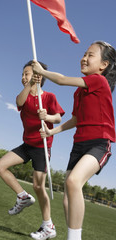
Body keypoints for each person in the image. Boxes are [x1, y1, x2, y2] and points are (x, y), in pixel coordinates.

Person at [32, 41, 116, 240]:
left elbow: (60, 80)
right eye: (84, 54)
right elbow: (76, 120)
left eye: (90, 55)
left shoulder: (99, 81)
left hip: (99, 142)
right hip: (79, 145)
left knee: (73, 181)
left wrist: (41, 72)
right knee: (68, 196)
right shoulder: (79, 92)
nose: (84, 58)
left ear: (103, 65)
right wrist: (53, 132)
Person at [0, 60, 65, 240]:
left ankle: (48, 226)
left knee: (38, 186)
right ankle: (22, 197)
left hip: (42, 146)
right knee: (0, 166)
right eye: (23, 74)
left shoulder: (49, 97)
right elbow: (19, 101)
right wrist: (30, 84)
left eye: (27, 73)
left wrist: (46, 116)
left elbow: (57, 118)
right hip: (27, 145)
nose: (23, 77)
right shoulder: (24, 97)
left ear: (38, 76)